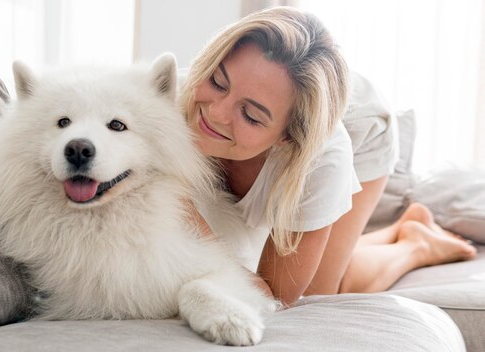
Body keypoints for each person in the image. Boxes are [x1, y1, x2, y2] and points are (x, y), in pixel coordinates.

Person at [179, 6, 477, 307]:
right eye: (218, 81)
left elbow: (275, 297)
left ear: (286, 136)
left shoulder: (322, 159)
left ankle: (416, 244)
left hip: (363, 128)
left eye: (251, 116)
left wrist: (192, 224)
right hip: (295, 92)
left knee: (321, 289)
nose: (215, 113)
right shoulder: (171, 95)